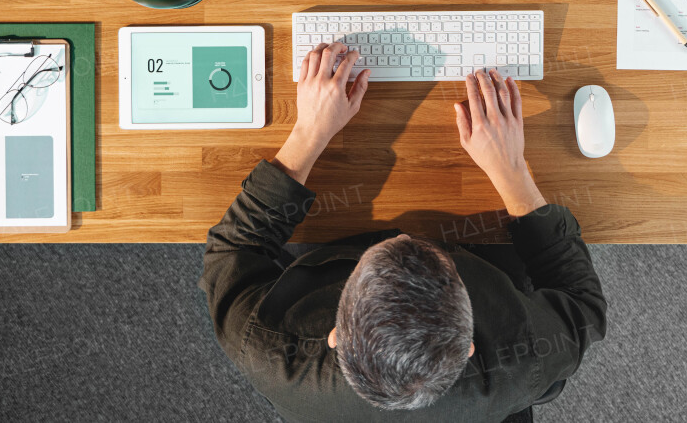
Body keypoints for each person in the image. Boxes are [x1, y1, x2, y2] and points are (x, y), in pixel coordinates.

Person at [200, 43, 607, 422]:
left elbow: (234, 246)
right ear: (468, 350)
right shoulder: (522, 362)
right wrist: (512, 170)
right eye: (431, 254)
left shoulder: (264, 348)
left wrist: (309, 132)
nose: (402, 236)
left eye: (381, 252)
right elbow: (584, 304)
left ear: (336, 336)